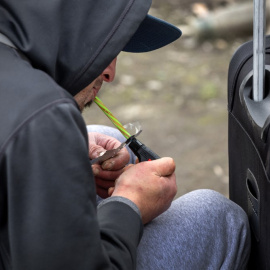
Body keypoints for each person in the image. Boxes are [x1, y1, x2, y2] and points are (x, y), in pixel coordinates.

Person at [0, 0, 250, 269]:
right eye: (103, 45)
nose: (110, 73)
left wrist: (63, 150)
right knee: (216, 216)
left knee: (109, 138)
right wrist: (128, 206)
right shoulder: (40, 118)